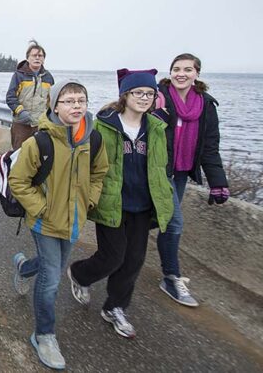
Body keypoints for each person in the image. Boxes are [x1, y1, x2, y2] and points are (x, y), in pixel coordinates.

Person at [9, 80, 109, 370]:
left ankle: (22, 267)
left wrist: (89, 200)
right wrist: (41, 208)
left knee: (48, 265)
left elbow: (99, 173)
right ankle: (43, 335)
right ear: (54, 105)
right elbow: (18, 180)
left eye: (81, 100)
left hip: (74, 219)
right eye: (68, 100)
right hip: (44, 222)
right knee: (52, 278)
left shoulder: (94, 139)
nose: (76, 106)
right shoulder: (39, 141)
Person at [67, 69, 174, 339]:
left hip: (142, 207)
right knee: (112, 257)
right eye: (138, 92)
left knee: (134, 260)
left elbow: (161, 167)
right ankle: (80, 274)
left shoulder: (157, 129)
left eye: (149, 93)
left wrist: (164, 199)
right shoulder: (104, 126)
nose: (144, 98)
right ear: (125, 94)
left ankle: (114, 307)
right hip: (112, 203)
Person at [154, 53, 229, 307]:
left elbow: (209, 146)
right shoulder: (159, 96)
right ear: (170, 71)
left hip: (182, 172)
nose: (181, 74)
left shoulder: (206, 105)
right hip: (159, 171)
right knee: (174, 222)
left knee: (166, 223)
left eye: (187, 69)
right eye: (176, 69)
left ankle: (168, 275)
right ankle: (171, 277)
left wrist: (218, 181)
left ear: (197, 72)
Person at [5, 39, 54, 149]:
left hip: (41, 125)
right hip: (21, 125)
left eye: (40, 55)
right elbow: (10, 97)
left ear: (44, 59)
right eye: (34, 55)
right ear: (28, 58)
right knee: (19, 155)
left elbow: (51, 101)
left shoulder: (49, 77)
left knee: (40, 157)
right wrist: (20, 111)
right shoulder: (19, 75)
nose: (37, 58)